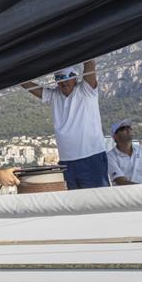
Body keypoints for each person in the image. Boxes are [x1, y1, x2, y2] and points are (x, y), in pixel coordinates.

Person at [21, 61, 109, 189]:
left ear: (75, 77)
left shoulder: (85, 90)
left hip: (91, 157)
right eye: (59, 78)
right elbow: (29, 86)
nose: (64, 82)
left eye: (67, 77)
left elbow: (90, 65)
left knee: (99, 199)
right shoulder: (54, 95)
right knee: (74, 203)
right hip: (67, 161)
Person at [107, 120, 142, 185]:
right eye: (123, 129)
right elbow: (121, 181)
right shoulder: (110, 157)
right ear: (115, 136)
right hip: (127, 194)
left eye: (129, 128)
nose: (128, 130)